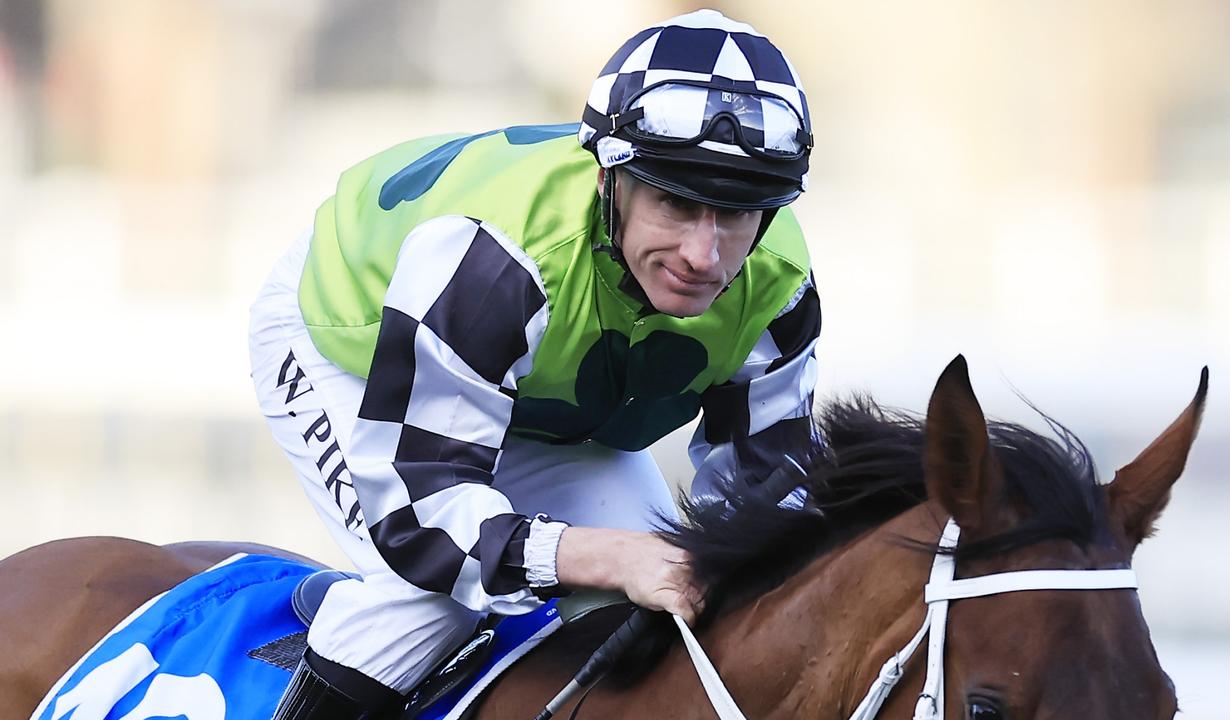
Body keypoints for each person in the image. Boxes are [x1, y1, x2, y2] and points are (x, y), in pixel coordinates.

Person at [248, 9, 820, 718]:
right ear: (611, 179)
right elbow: (423, 521)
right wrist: (607, 556)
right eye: (676, 202)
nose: (705, 256)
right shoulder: (498, 258)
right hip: (352, 347)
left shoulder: (778, 282)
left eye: (737, 214)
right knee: (424, 607)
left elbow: (766, 504)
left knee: (675, 609)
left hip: (535, 394)